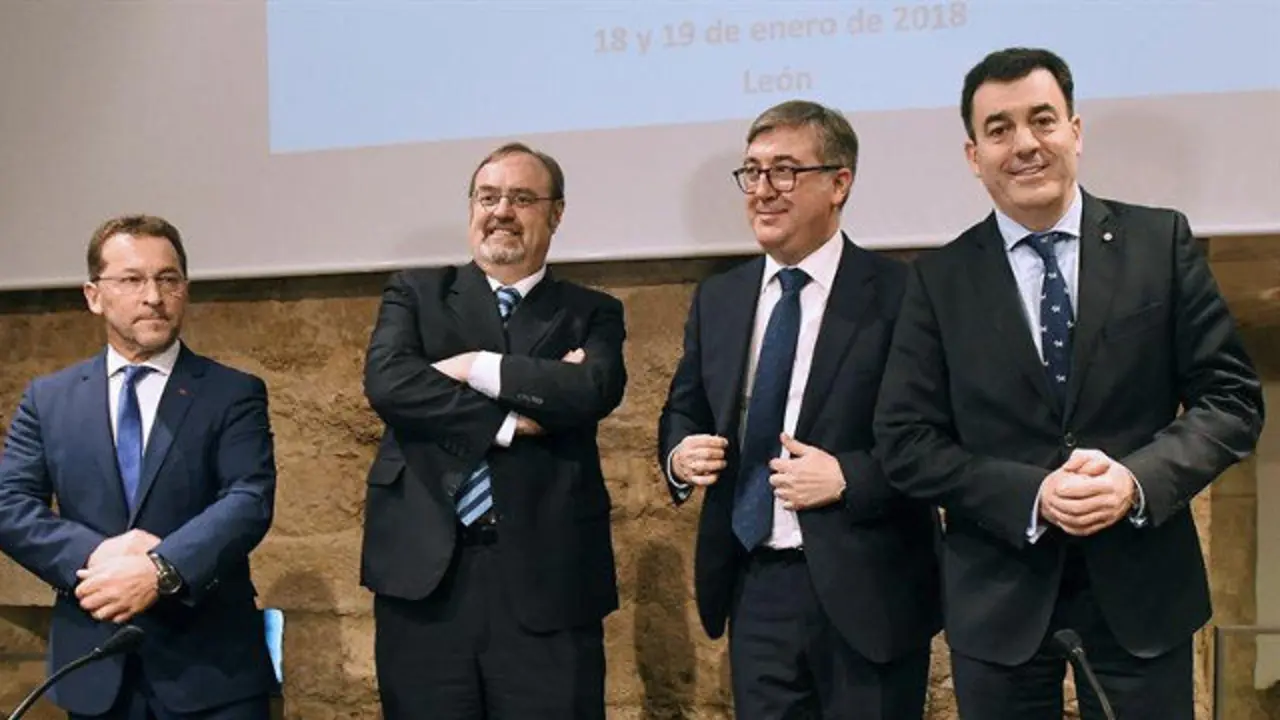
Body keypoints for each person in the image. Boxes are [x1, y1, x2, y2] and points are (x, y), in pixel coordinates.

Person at [873, 47, 1265, 719]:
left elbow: (1230, 401)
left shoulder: (1159, 243)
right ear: (974, 155)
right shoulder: (937, 281)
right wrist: (1033, 494)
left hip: (1144, 594)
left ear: (1075, 132)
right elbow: (905, 441)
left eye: (1042, 120)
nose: (1024, 144)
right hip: (998, 600)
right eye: (999, 129)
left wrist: (1135, 480)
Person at [657, 100, 942, 719]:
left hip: (871, 587)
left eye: (785, 171)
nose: (763, 190)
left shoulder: (903, 295)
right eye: (752, 172)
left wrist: (849, 477)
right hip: (756, 585)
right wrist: (681, 454)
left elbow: (936, 438)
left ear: (840, 182)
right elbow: (683, 409)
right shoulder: (721, 298)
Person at [360, 142, 627, 719]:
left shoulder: (593, 311)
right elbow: (388, 383)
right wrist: (505, 418)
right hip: (426, 585)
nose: (502, 210)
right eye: (489, 197)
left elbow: (589, 392)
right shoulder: (416, 292)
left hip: (549, 587)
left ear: (556, 214)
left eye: (523, 198)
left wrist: (471, 366)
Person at [0, 215, 278, 719]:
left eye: (168, 279)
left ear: (184, 290)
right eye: (132, 280)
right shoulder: (49, 399)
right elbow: (10, 505)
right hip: (95, 660)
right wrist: (100, 555)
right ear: (93, 295)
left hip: (211, 671)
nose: (154, 295)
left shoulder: (232, 393)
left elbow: (248, 499)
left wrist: (161, 569)